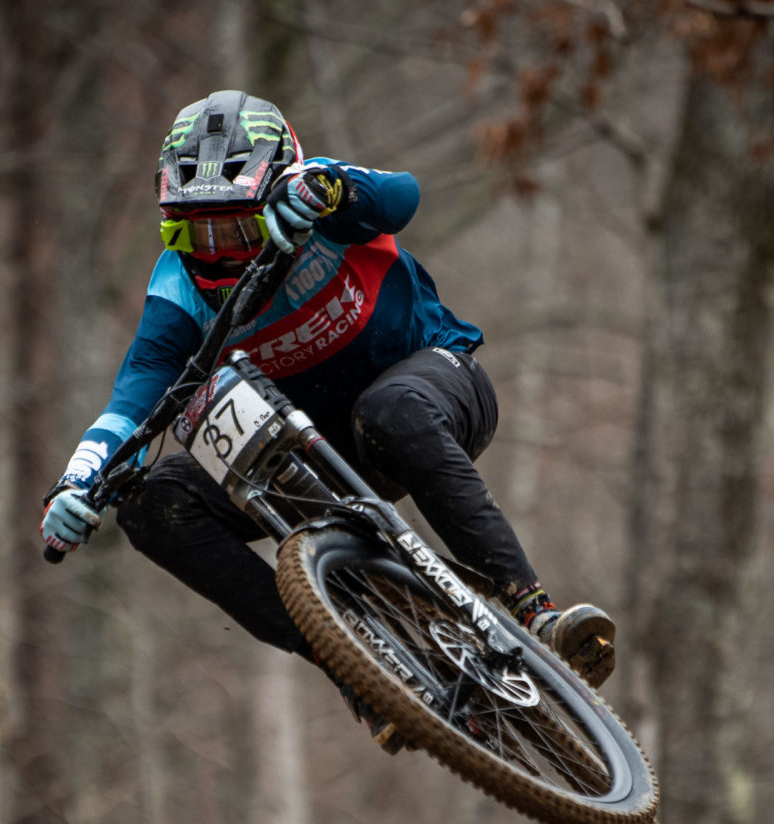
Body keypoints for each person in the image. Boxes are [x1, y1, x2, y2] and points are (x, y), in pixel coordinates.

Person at [40, 90, 614, 749]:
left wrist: (327, 189)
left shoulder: (319, 201)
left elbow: (401, 196)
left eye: (237, 230)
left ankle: (536, 612)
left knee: (388, 410)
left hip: (433, 391)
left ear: (276, 192)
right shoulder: (177, 293)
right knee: (152, 505)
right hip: (314, 455)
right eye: (196, 233)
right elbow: (133, 398)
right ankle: (351, 665)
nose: (218, 253)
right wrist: (79, 480)